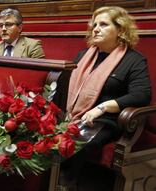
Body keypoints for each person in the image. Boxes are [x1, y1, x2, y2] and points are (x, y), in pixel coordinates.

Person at [61, 6, 151, 190]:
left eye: (103, 24)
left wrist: (104, 107)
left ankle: (65, 183)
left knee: (77, 142)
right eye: (94, 25)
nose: (95, 28)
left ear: (120, 29)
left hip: (107, 119)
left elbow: (142, 95)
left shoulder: (133, 60)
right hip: (74, 113)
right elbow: (66, 87)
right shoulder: (84, 56)